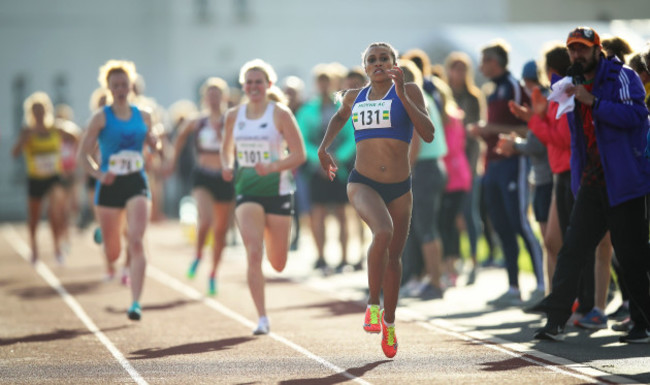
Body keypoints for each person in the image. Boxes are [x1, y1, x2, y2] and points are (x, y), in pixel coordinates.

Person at [318, 42, 435, 358]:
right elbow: (340, 117)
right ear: (366, 67)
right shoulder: (355, 96)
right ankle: (372, 303)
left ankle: (391, 323)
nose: (379, 63)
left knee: (394, 257)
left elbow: (428, 132)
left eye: (385, 58)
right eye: (372, 60)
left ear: (395, 63)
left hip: (399, 186)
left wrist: (402, 93)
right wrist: (323, 147)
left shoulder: (408, 89)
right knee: (382, 232)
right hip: (362, 182)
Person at [533, 27, 650, 343]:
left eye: (582, 48)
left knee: (632, 257)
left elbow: (638, 115)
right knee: (572, 251)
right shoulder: (571, 82)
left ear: (598, 50)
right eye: (572, 49)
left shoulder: (623, 76)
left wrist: (594, 101)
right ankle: (556, 321)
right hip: (591, 184)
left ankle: (643, 322)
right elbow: (576, 137)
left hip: (624, 184)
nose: (576, 54)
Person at [221, 59, 306, 335]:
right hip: (247, 191)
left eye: (259, 82)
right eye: (249, 82)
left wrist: (272, 166)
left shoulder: (280, 114)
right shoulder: (234, 115)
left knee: (278, 262)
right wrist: (225, 165)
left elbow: (299, 154)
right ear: (243, 86)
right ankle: (262, 318)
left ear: (269, 85)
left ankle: (274, 247)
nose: (254, 86)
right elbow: (226, 149)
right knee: (253, 252)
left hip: (278, 191)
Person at [78, 59, 161, 321]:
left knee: (136, 240)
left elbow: (154, 147)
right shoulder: (101, 118)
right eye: (115, 85)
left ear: (131, 85)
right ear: (109, 88)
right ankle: (105, 233)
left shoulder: (144, 115)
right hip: (110, 185)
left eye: (124, 84)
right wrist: (100, 173)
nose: (121, 89)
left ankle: (135, 302)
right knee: (113, 253)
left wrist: (155, 144)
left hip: (136, 181)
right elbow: (83, 156)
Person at [472, 40, 545, 307]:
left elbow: (531, 126)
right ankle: (513, 287)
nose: (481, 66)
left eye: (486, 60)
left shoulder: (514, 86)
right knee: (500, 225)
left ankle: (541, 284)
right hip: (492, 165)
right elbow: (495, 130)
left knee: (520, 223)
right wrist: (484, 133)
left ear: (498, 62)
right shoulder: (492, 90)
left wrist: (489, 129)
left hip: (514, 163)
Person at [166, 77, 235, 296]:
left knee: (222, 230)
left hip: (225, 177)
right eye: (210, 95)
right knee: (206, 219)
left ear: (224, 97)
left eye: (218, 94)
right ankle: (197, 255)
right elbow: (178, 139)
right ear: (204, 97)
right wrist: (171, 162)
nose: (213, 99)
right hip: (203, 175)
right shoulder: (197, 121)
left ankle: (213, 272)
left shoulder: (231, 120)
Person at [296, 64, 355, 273]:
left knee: (342, 213)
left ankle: (344, 258)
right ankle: (320, 257)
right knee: (317, 213)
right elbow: (301, 138)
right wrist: (319, 160)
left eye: (326, 81)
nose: (323, 86)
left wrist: (337, 159)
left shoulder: (343, 108)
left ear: (333, 83)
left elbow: (352, 136)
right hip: (316, 169)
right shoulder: (307, 110)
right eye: (319, 82)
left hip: (339, 169)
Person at [399, 59, 447, 300]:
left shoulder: (412, 100)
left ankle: (436, 283)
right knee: (421, 228)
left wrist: (403, 173)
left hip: (423, 169)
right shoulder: (422, 98)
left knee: (425, 228)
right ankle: (422, 278)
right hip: (431, 167)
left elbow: (415, 142)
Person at [12, 91, 78, 265]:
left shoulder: (54, 128)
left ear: (47, 110)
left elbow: (76, 136)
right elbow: (15, 153)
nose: (39, 114)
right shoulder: (27, 131)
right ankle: (34, 248)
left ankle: (57, 248)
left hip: (53, 177)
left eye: (41, 110)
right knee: (34, 217)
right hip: (35, 178)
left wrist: (72, 147)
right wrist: (25, 139)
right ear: (31, 113)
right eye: (35, 110)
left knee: (55, 212)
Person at [444, 51, 487, 284]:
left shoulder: (473, 96)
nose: (458, 73)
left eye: (462, 69)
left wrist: (472, 168)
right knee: (450, 216)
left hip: (468, 165)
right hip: (448, 165)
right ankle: (454, 259)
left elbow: (477, 136)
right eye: (455, 68)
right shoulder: (444, 94)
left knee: (470, 215)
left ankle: (474, 259)